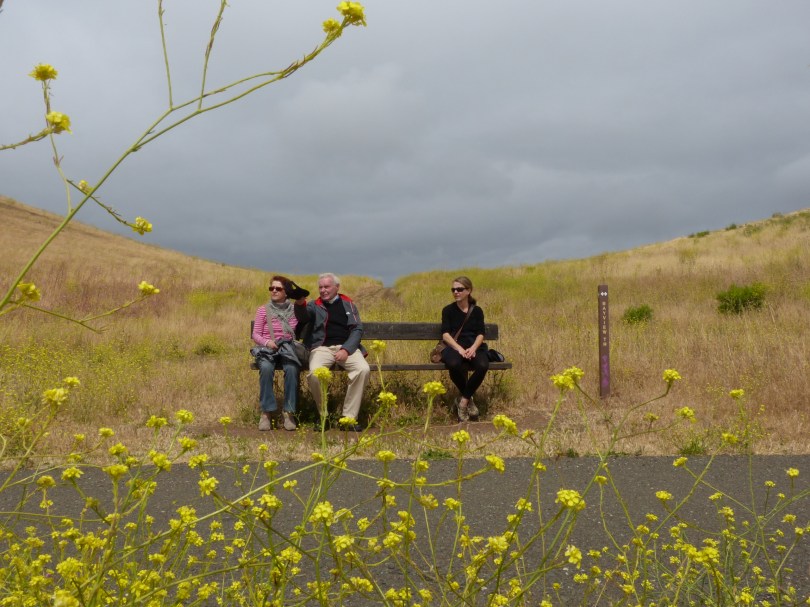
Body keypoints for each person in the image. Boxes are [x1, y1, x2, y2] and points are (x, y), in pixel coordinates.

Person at [296, 273, 370, 431]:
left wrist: (346, 349)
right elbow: (303, 317)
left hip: (347, 347)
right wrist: (300, 302)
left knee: (363, 370)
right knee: (315, 373)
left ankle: (348, 419)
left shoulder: (348, 304)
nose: (323, 290)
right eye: (320, 287)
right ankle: (324, 416)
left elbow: (357, 328)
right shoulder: (314, 305)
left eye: (326, 287)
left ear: (337, 287)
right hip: (321, 348)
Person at [252, 275, 309, 431]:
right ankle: (266, 413)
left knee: (292, 369)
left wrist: (301, 300)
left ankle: (288, 413)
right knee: (266, 368)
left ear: (286, 292)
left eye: (278, 288)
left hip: (288, 349)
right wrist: (267, 342)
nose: (274, 291)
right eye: (272, 288)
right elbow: (255, 334)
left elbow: (305, 313)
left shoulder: (294, 310)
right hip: (268, 349)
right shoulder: (263, 310)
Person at [440, 276, 489, 422]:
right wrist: (460, 349)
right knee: (453, 364)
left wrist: (473, 348)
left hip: (474, 348)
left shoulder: (477, 311)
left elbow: (481, 334)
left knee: (482, 365)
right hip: (454, 347)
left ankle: (463, 401)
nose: (456, 292)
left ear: (468, 291)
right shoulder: (448, 310)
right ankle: (469, 400)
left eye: (459, 289)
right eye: (453, 289)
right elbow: (445, 334)